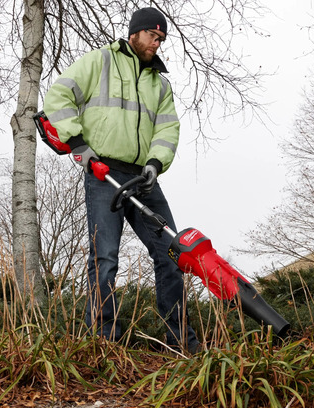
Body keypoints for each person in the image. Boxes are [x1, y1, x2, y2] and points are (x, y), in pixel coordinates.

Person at [43, 7, 200, 353]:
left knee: (172, 254)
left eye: (161, 39)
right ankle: (102, 343)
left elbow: (167, 127)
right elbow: (58, 96)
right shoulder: (99, 63)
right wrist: (78, 143)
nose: (156, 43)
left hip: (143, 178)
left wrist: (156, 163)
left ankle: (180, 343)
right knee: (106, 256)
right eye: (152, 36)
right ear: (135, 33)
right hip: (104, 174)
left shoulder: (160, 83)